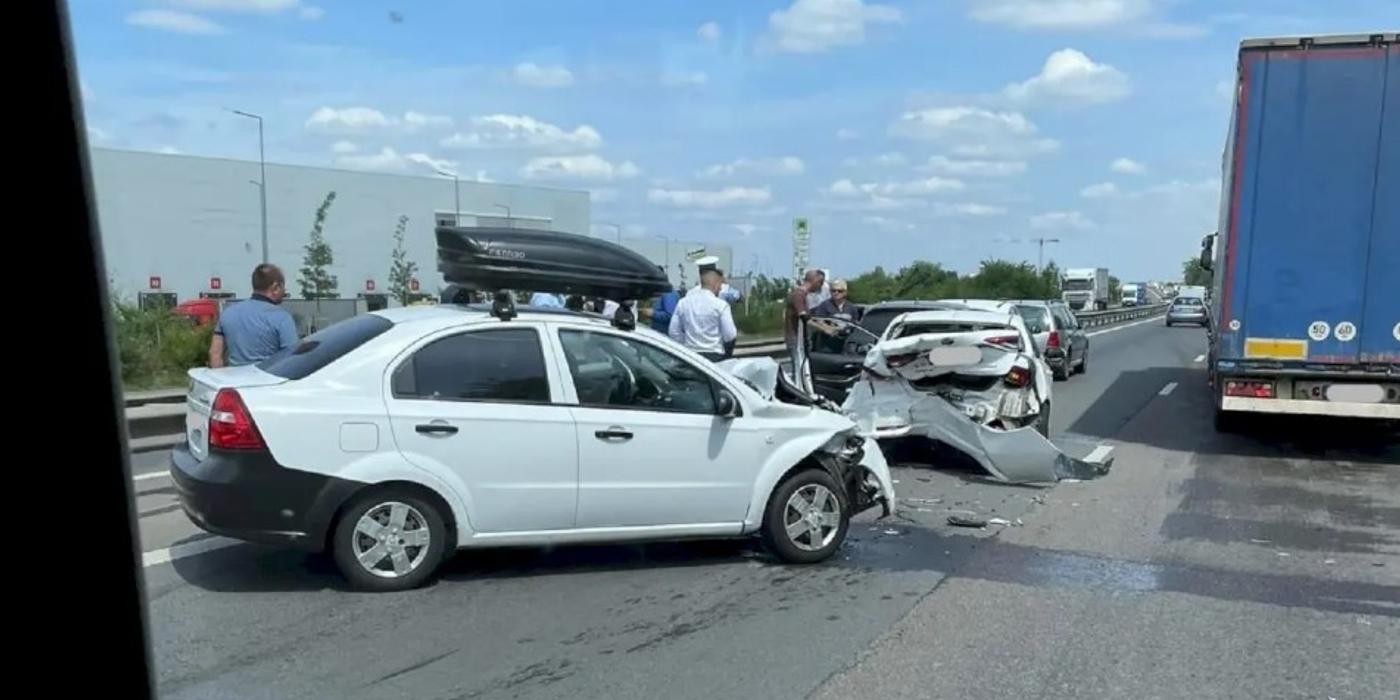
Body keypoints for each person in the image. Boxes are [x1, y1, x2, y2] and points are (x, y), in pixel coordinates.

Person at [209, 263, 298, 368]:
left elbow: (214, 354)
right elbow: (292, 358)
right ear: (276, 288)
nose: (284, 291)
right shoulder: (282, 318)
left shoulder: (228, 314)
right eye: (283, 287)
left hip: (235, 380)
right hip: (268, 380)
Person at [668, 269, 737, 362]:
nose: (721, 289)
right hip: (714, 355)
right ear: (715, 284)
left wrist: (686, 343)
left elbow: (673, 332)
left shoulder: (683, 303)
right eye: (720, 285)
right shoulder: (721, 305)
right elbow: (730, 335)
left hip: (690, 355)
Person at [784, 269, 826, 389]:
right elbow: (804, 317)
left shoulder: (803, 295)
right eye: (821, 282)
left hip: (801, 340)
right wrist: (825, 329)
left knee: (803, 369)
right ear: (815, 280)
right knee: (799, 370)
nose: (821, 286)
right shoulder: (798, 295)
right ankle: (798, 394)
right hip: (797, 340)